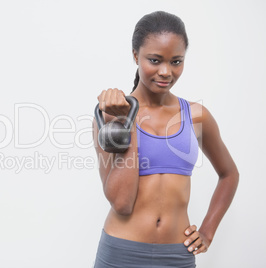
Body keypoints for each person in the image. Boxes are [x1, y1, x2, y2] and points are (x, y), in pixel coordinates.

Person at [92, 11, 239, 268]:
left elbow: (229, 174)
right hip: (121, 253)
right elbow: (122, 203)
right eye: (155, 60)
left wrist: (207, 231)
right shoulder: (111, 115)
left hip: (177, 256)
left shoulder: (196, 116)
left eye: (176, 61)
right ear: (136, 55)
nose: (166, 72)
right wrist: (130, 121)